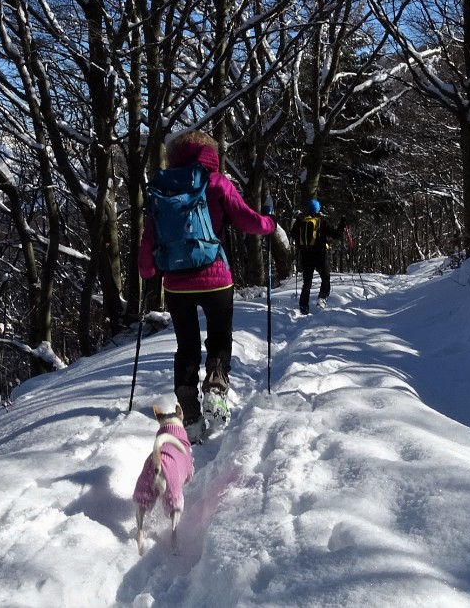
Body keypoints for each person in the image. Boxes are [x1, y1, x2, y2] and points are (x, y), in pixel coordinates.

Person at [139, 130, 276, 440]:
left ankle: (189, 415)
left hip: (176, 283)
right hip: (216, 278)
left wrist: (147, 271)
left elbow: (150, 237)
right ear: (209, 153)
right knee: (219, 337)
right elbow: (249, 221)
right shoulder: (216, 182)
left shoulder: (161, 188)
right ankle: (216, 389)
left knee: (186, 348)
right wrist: (270, 222)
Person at [290, 199, 346, 315]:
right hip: (320, 254)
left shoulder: (301, 222)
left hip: (305, 255)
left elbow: (293, 235)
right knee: (325, 278)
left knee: (307, 282)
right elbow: (335, 234)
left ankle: (303, 306)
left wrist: (297, 222)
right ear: (318, 209)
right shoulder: (322, 221)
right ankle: (322, 298)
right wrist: (342, 224)